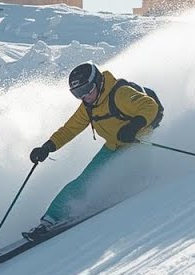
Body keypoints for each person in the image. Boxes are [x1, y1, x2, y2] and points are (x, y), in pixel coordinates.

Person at [24, 61, 163, 241]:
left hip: (138, 139)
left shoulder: (120, 94)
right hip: (114, 144)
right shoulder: (88, 107)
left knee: (133, 167)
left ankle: (143, 180)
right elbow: (70, 129)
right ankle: (49, 220)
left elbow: (149, 106)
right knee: (85, 179)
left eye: (87, 89)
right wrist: (48, 147)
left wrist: (134, 126)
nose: (84, 97)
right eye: (78, 93)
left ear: (98, 81)